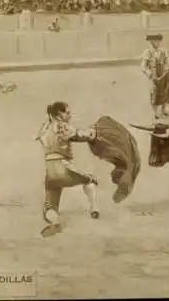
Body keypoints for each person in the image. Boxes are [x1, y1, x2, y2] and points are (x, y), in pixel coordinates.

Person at [35, 101, 100, 238]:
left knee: (50, 206)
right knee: (89, 179)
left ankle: (55, 222)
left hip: (49, 170)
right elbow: (83, 136)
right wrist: (93, 132)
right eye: (67, 113)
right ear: (59, 115)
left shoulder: (44, 128)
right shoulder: (63, 127)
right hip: (62, 166)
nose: (70, 116)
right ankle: (94, 208)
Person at [140, 33, 169, 120]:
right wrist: (149, 73)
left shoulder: (163, 51)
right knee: (154, 92)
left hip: (163, 74)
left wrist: (166, 70)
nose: (157, 43)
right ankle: (155, 111)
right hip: (154, 75)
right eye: (155, 41)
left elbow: (167, 62)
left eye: (158, 41)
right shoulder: (148, 52)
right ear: (151, 42)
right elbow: (143, 66)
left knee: (165, 92)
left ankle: (164, 110)